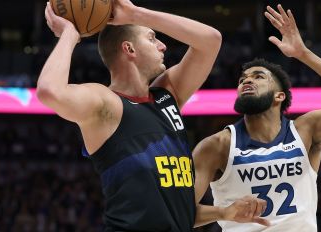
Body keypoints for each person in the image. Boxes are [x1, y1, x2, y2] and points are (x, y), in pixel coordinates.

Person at [38, 0, 269, 231]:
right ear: (129, 49)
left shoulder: (166, 96)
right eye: (151, 38)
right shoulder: (106, 103)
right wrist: (70, 34)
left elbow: (210, 40)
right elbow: (50, 91)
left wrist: (136, 14)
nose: (163, 46)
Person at [193, 4, 321, 232]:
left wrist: (304, 55)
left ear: (280, 96)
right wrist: (222, 212)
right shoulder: (217, 146)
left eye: (258, 76)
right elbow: (177, 211)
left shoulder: (306, 130)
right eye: (242, 79)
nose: (246, 81)